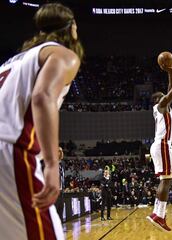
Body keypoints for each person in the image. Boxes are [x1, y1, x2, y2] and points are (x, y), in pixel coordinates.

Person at [0, 3, 83, 239]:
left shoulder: (13, 61)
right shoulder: (62, 54)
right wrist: (51, 165)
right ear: (71, 28)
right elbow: (42, 96)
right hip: (11, 154)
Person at [146, 63, 172, 231]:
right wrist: (171, 68)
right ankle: (160, 215)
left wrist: (168, 72)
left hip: (160, 145)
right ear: (158, 100)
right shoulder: (161, 106)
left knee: (165, 180)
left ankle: (156, 213)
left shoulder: (163, 107)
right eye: (163, 96)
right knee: (167, 180)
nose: (166, 97)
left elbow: (170, 87)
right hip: (163, 144)